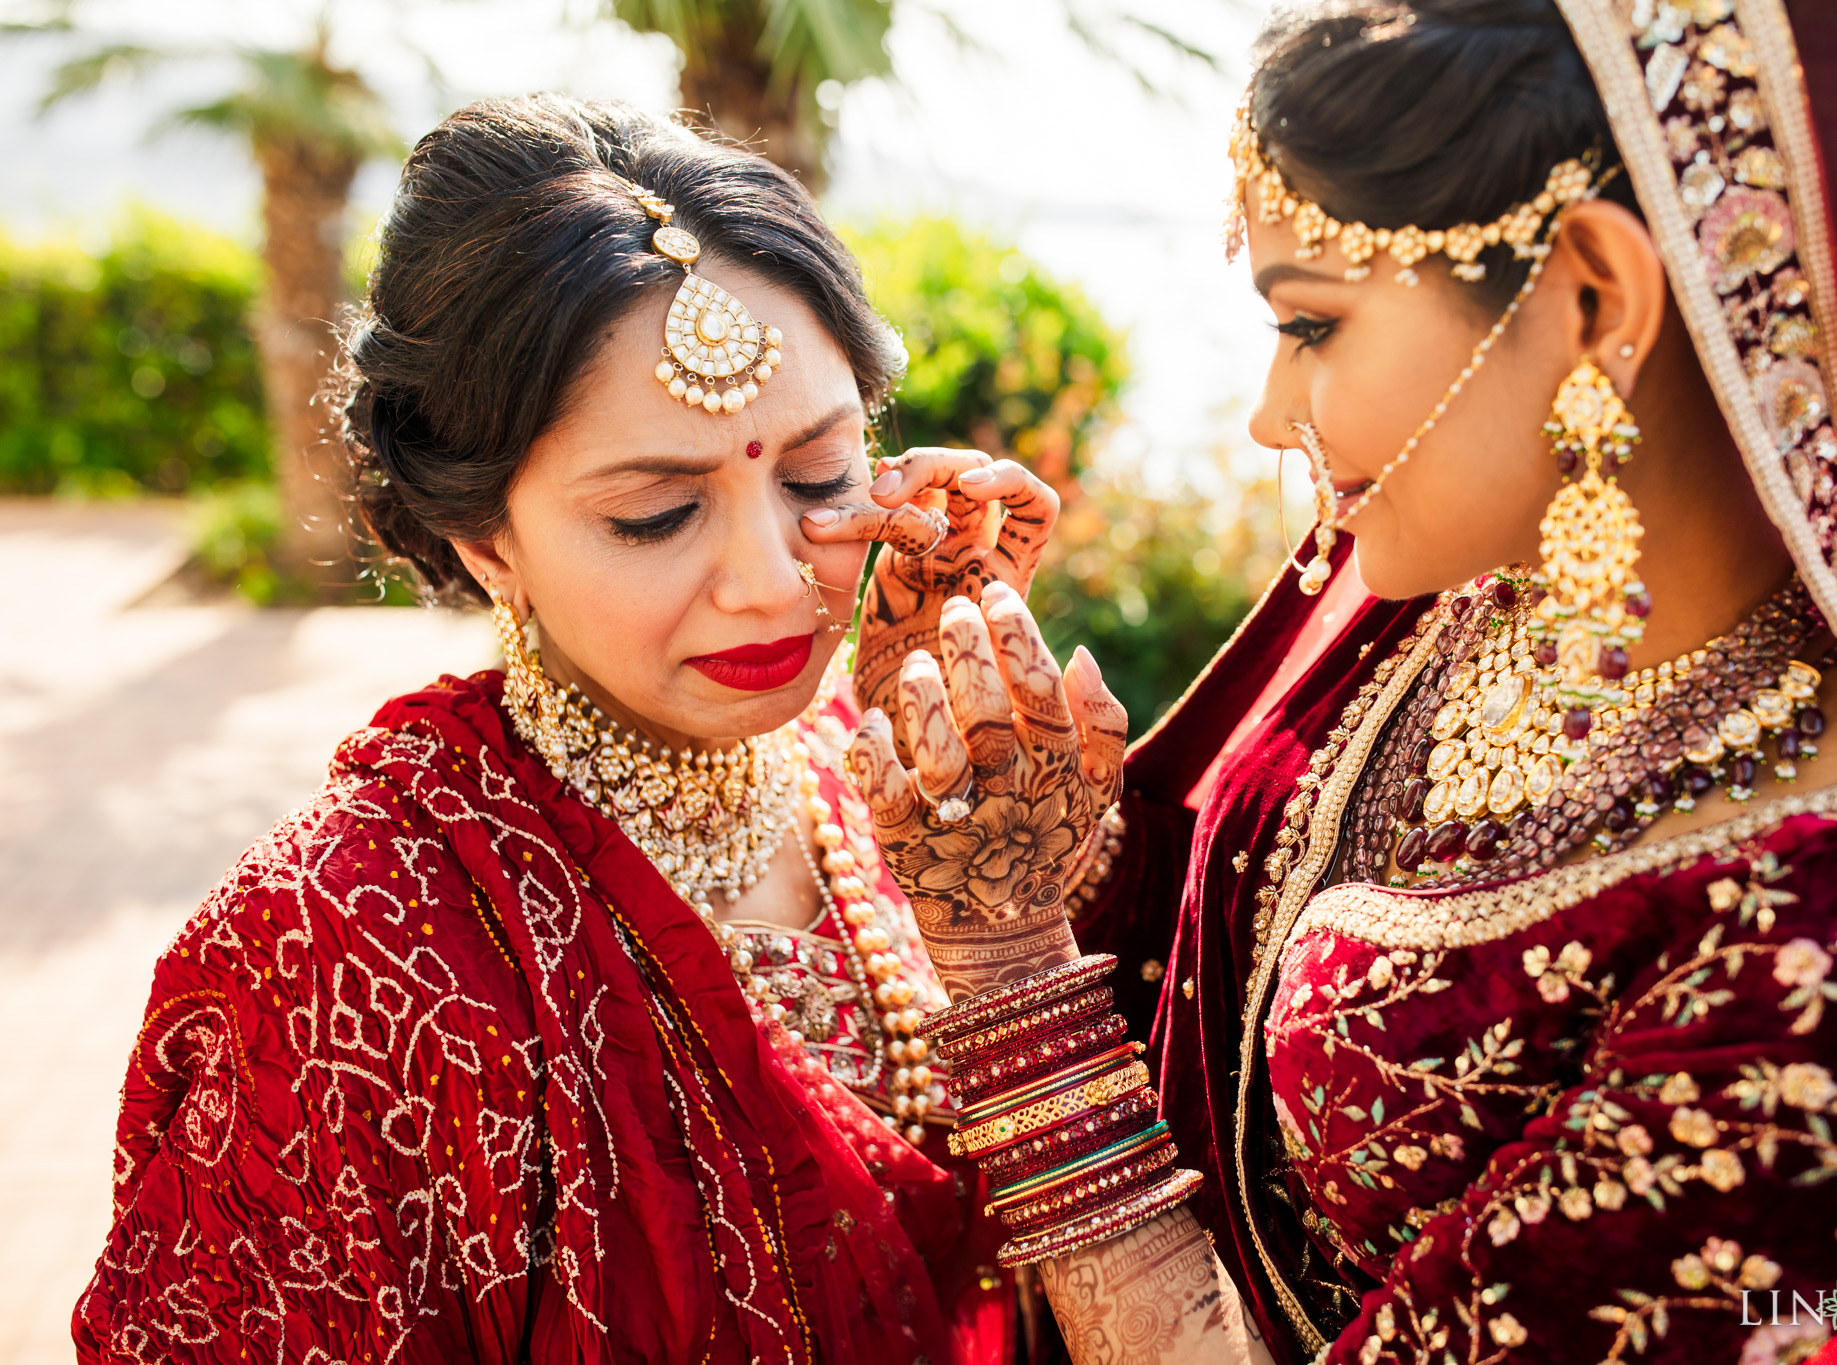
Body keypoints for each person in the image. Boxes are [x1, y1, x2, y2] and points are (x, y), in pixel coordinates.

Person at [834, 2, 1837, 1363]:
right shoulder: (1466, 601)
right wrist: (980, 730)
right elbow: (1203, 974)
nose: (1266, 414)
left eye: (1310, 323)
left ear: (1593, 296)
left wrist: (1011, 973)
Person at [69, 93, 1109, 1363]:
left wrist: (986, 779)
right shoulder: (347, 945)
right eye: (656, 516)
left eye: (820, 477)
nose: (775, 582)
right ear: (485, 538)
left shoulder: (885, 771)